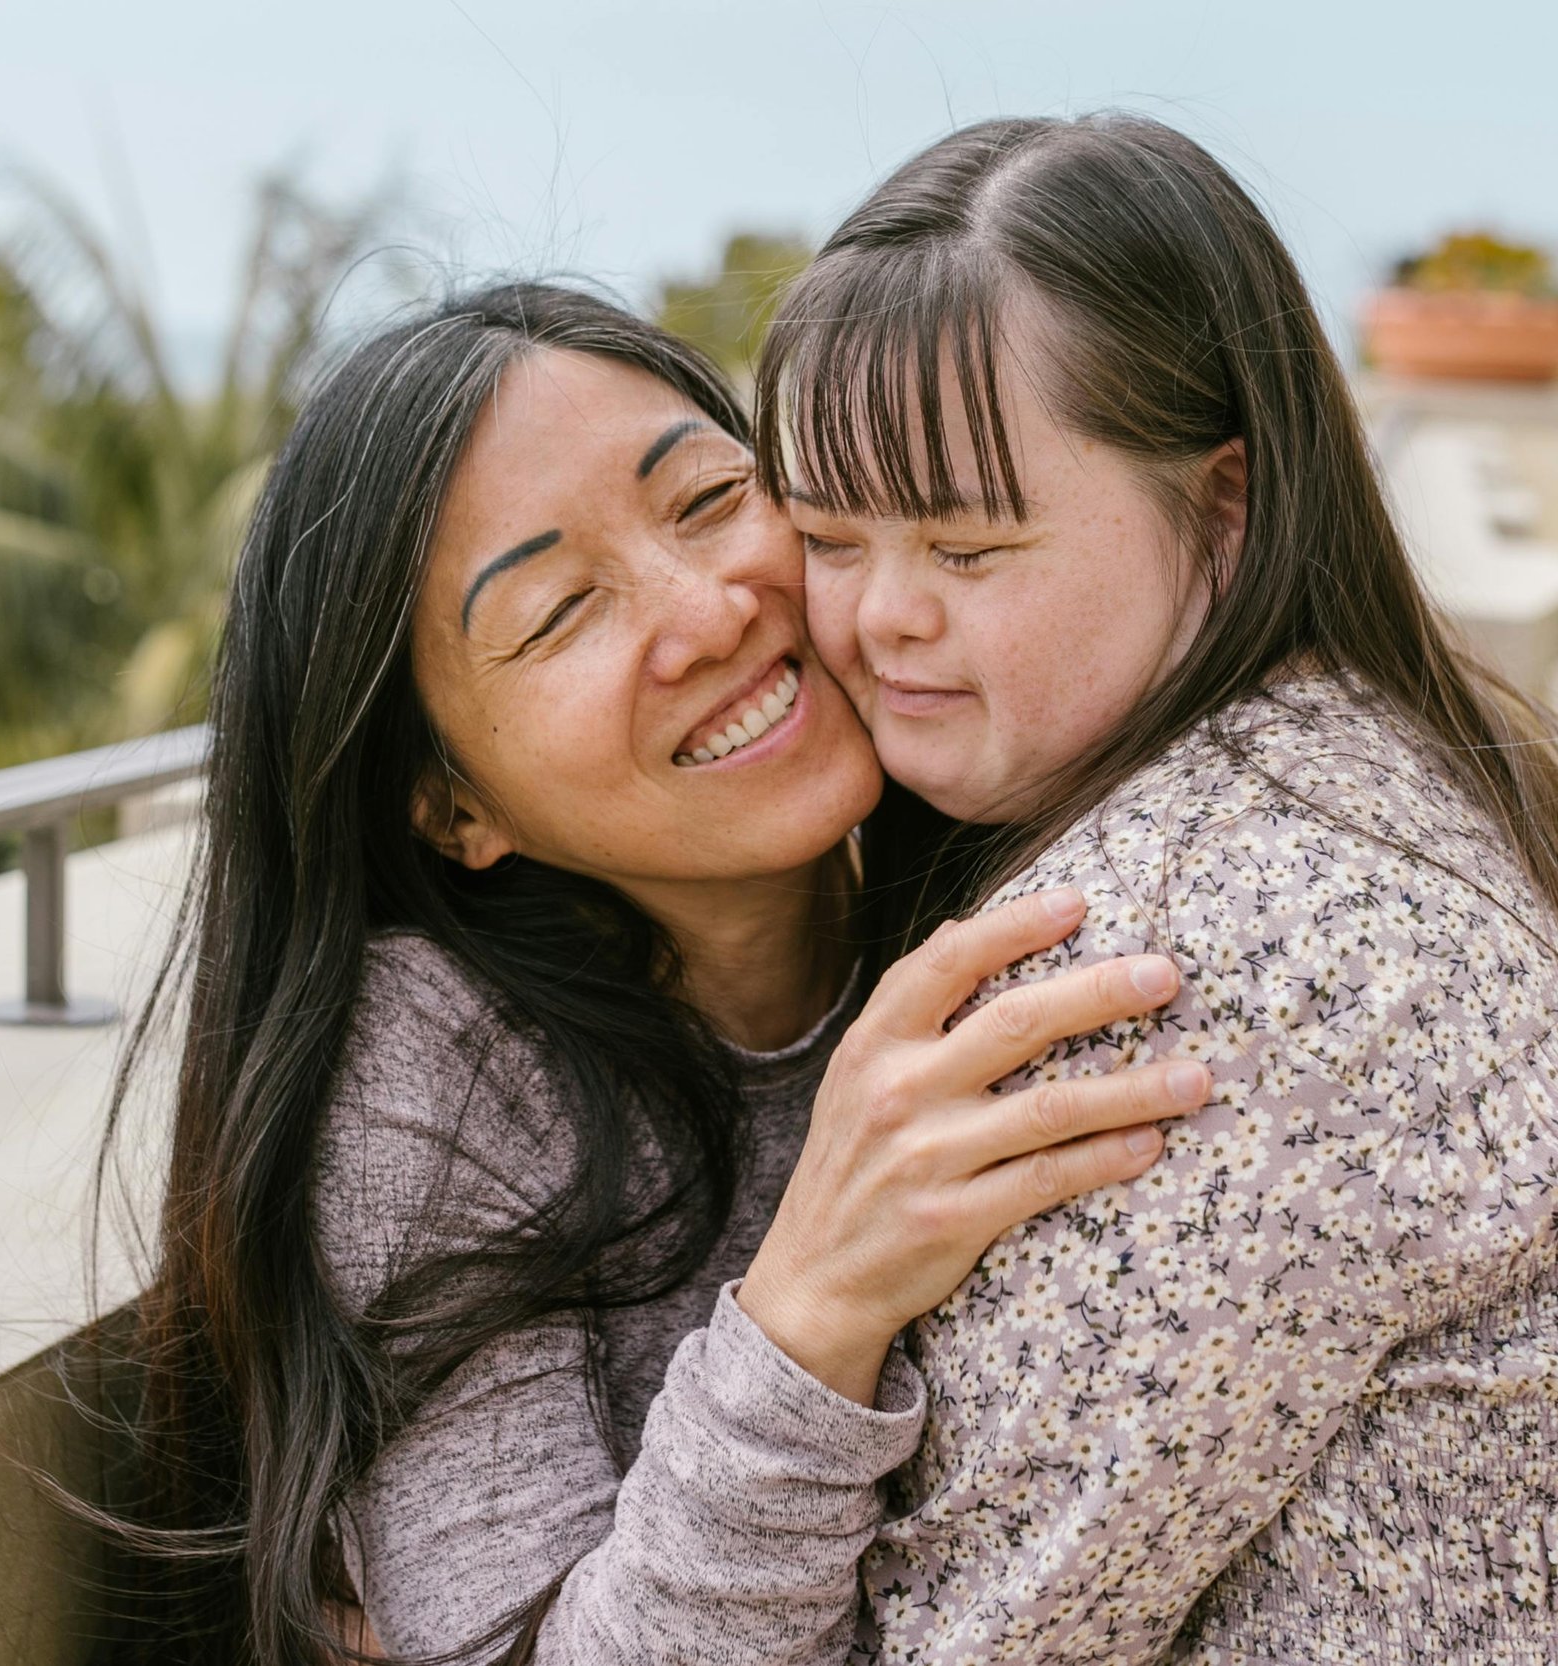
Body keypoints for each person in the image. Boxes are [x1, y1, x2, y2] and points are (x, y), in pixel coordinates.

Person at [755, 113, 1558, 1663]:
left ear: (1224, 511)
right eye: (828, 535)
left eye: (971, 547)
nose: (880, 616)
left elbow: (952, 1639)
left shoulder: (1195, 966)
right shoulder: (1385, 755)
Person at [84, 282, 1211, 1666]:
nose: (711, 610)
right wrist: (813, 1305)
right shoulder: (434, 1073)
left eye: (706, 499)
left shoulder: (1042, 876)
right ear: (452, 808)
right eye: (561, 611)